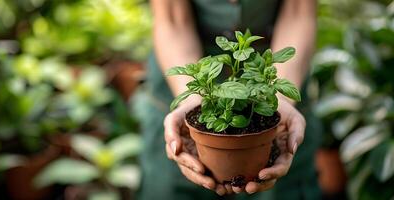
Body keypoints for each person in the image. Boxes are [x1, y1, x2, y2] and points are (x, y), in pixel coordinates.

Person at [133, 0, 322, 199]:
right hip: (182, 71)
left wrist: (279, 99)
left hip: (272, 70)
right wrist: (193, 104)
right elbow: (172, 19)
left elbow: (298, 11)